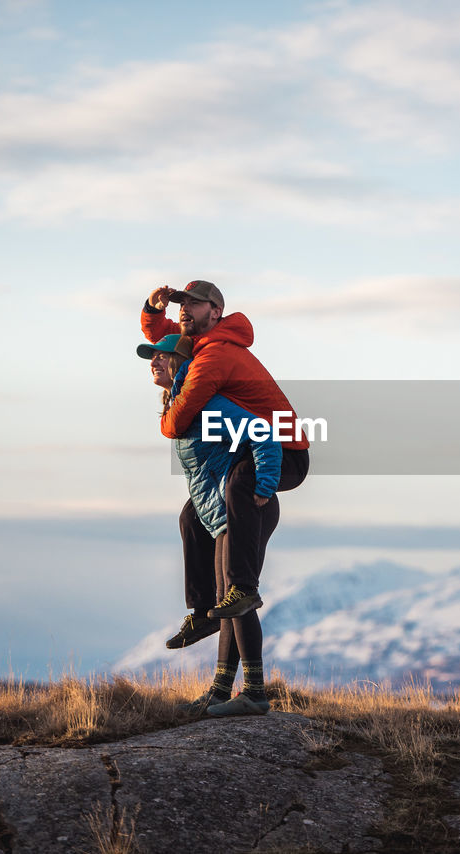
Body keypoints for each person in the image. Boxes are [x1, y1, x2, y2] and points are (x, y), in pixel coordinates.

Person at [141, 281, 310, 648]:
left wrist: (264, 487)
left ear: (215, 312)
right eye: (182, 303)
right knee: (191, 514)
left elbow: (178, 420)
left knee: (238, 484)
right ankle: (203, 614)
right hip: (256, 448)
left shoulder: (214, 357)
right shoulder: (201, 345)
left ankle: (243, 588)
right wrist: (155, 309)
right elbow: (168, 343)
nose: (183, 309)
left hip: (286, 451)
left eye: (194, 304)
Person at [138, 333, 283, 716]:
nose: (154, 362)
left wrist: (265, 485)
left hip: (244, 508)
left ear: (181, 362)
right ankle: (220, 692)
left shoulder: (206, 404)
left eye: (162, 356)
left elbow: (265, 434)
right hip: (220, 514)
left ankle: (254, 692)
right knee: (225, 602)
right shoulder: (183, 406)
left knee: (237, 595)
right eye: (151, 357)